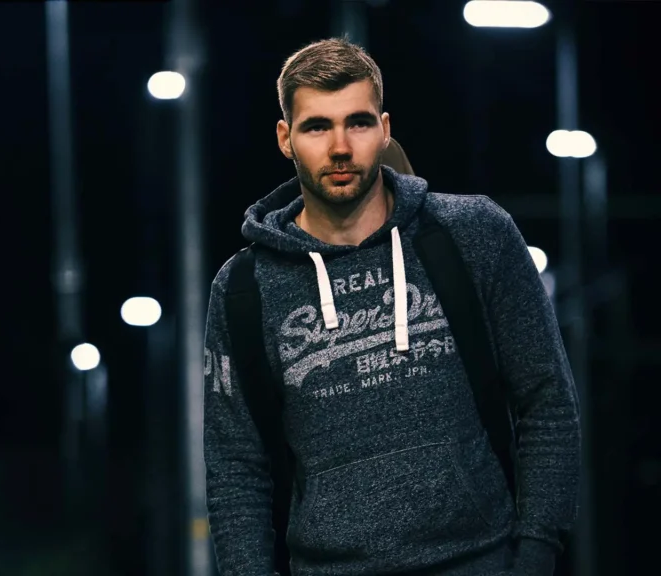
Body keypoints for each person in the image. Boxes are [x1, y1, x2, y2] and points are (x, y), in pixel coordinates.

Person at [203, 37, 580, 575]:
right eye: (316, 126)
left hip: (481, 561)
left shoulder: (472, 234)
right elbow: (235, 469)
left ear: (383, 129)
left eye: (357, 122)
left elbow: (548, 401)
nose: (339, 146)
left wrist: (536, 554)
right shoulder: (243, 288)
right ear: (286, 139)